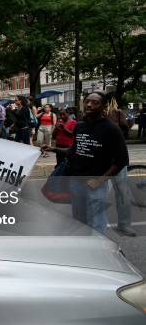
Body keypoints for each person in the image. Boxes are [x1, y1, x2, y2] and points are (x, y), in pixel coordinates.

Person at [43, 92, 129, 235]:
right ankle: (84, 249)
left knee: (96, 222)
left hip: (95, 184)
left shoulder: (111, 129)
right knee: (79, 220)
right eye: (87, 101)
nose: (89, 104)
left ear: (103, 107)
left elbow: (121, 161)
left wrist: (100, 180)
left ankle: (98, 252)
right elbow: (75, 151)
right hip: (76, 182)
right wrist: (53, 149)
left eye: (95, 102)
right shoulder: (79, 126)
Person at [106, 96, 136, 236]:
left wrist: (124, 119)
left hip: (118, 160)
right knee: (98, 195)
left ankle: (124, 224)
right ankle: (96, 225)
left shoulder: (118, 114)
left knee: (123, 193)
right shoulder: (92, 118)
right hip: (100, 162)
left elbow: (127, 126)